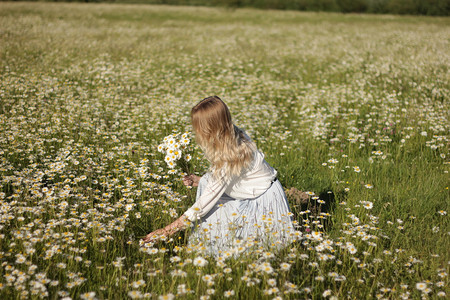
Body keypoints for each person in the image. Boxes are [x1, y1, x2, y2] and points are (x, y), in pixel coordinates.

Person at [143, 96, 295, 255]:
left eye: (198, 128)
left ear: (210, 129)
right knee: (206, 183)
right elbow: (230, 178)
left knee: (238, 249)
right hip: (252, 189)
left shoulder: (230, 157)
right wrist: (200, 180)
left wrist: (167, 231)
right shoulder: (231, 136)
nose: (196, 132)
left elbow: (204, 204)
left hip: (264, 201)